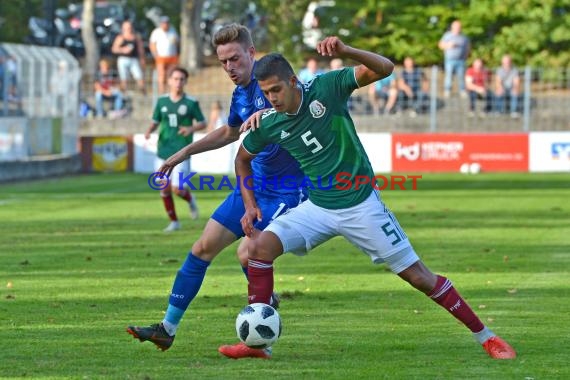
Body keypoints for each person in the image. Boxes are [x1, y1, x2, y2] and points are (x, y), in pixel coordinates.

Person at [218, 37, 516, 361]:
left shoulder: (326, 88)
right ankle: (257, 345)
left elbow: (385, 68)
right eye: (265, 93)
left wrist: (346, 52)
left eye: (276, 89)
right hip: (317, 206)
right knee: (256, 248)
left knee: (419, 276)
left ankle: (487, 337)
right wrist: (250, 205)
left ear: (293, 81)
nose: (271, 98)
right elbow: (242, 159)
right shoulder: (270, 124)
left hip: (361, 204)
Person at [126, 24, 306, 352]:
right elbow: (229, 133)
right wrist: (182, 153)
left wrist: (271, 110)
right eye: (223, 62)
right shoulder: (240, 94)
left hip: (286, 190)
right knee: (201, 248)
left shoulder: (278, 80)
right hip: (252, 183)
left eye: (235, 59)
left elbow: (301, 104)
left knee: (248, 251)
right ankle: (167, 328)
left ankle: (260, 338)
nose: (229, 68)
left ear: (251, 53)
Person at [144, 67, 206, 232]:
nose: (178, 82)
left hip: (182, 151)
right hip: (163, 150)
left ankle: (190, 199)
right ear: (170, 80)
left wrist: (190, 129)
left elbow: (203, 122)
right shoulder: (162, 101)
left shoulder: (191, 103)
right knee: (164, 188)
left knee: (177, 189)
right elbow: (156, 120)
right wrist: (149, 131)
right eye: (175, 79)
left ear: (185, 82)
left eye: (181, 79)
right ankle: (174, 222)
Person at [111, 20, 146, 94]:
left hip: (133, 59)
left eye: (129, 27)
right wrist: (123, 50)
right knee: (124, 77)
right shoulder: (121, 37)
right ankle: (124, 93)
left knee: (139, 76)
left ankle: (143, 92)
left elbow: (140, 49)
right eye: (127, 28)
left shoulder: (136, 37)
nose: (128, 29)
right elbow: (114, 49)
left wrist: (142, 59)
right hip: (123, 59)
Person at [438, 20, 470, 98]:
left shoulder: (463, 37)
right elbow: (440, 45)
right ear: (452, 27)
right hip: (450, 60)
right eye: (456, 27)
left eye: (459, 27)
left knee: (461, 76)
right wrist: (448, 45)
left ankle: (462, 90)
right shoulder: (447, 36)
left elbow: (468, 48)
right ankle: (447, 90)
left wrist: (466, 56)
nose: (458, 28)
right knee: (448, 76)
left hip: (461, 60)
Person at [149, 16, 179, 94]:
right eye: (164, 23)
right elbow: (152, 44)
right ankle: (161, 92)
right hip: (161, 57)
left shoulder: (173, 31)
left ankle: (170, 92)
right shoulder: (156, 32)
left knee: (171, 75)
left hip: (172, 57)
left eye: (167, 23)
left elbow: (177, 42)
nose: (165, 24)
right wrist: (156, 55)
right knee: (161, 75)